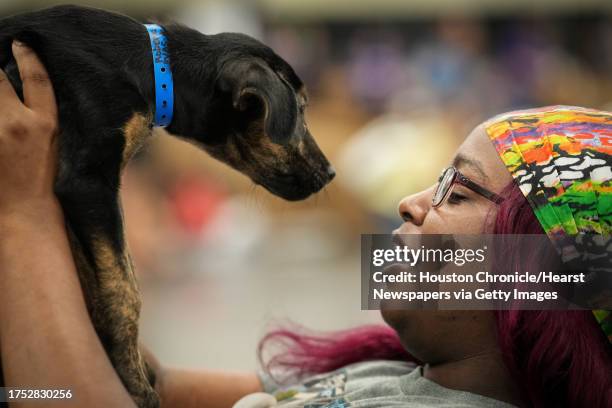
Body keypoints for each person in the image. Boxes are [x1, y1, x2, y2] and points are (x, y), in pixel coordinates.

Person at [0, 42, 610, 408]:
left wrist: (20, 217)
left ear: (539, 278)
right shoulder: (395, 373)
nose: (409, 202)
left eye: (460, 191)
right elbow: (150, 387)